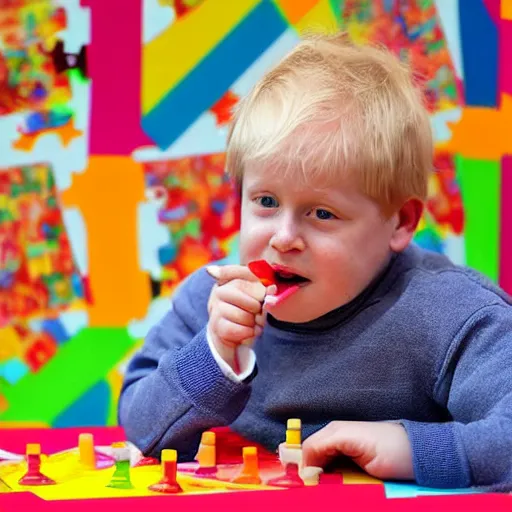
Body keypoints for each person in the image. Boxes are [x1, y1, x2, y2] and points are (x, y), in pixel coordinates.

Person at [118, 33, 512, 490]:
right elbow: (140, 427)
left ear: (400, 222)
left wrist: (408, 447)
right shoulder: (211, 301)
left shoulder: (454, 316)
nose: (283, 238)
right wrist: (216, 355)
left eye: (322, 213)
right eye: (265, 201)